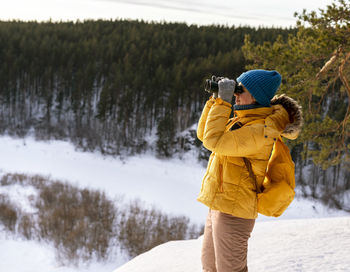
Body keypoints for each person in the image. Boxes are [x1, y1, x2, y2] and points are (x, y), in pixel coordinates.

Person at [197, 69, 303, 272]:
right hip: (219, 205)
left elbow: (213, 141)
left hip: (234, 214)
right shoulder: (242, 120)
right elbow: (204, 134)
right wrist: (215, 100)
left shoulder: (260, 130)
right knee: (210, 267)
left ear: (255, 96)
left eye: (240, 89)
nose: (235, 93)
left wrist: (224, 103)